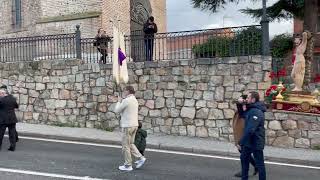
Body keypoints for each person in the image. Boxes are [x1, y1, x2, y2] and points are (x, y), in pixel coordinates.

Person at [115, 86, 146, 171]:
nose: (124, 92)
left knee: (125, 146)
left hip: (127, 126)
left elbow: (117, 110)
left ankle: (128, 165)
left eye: (124, 91)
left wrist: (118, 102)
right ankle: (140, 158)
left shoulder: (126, 100)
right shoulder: (135, 100)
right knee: (131, 144)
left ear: (128, 91)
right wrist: (122, 101)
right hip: (134, 125)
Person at [237, 91, 266, 180]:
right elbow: (242, 114)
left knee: (260, 164)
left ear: (253, 99)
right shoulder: (251, 109)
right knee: (244, 161)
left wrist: (241, 142)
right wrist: (239, 104)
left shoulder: (257, 111)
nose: (246, 99)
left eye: (248, 98)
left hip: (256, 142)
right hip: (248, 142)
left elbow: (250, 129)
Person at [233, 95, 258, 178]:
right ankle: (256, 165)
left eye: (246, 99)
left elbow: (242, 112)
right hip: (240, 133)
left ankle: (244, 171)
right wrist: (239, 102)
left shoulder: (248, 109)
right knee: (244, 153)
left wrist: (241, 103)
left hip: (244, 134)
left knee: (244, 154)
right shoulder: (243, 109)